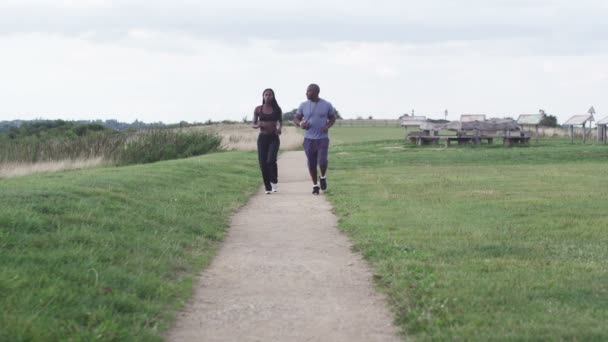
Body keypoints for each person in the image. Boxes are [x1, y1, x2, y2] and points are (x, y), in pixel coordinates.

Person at [293, 83, 336, 195]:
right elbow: (296, 118)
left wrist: (327, 126)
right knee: (311, 164)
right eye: (306, 91)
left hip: (322, 138)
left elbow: (332, 118)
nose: (306, 93)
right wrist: (301, 123)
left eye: (309, 91)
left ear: (316, 92)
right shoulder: (303, 105)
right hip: (308, 139)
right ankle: (315, 185)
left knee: (322, 161)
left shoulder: (327, 105)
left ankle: (322, 177)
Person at [253, 88, 282, 194]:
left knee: (270, 160)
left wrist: (278, 128)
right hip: (262, 139)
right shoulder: (258, 109)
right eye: (266, 94)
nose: (268, 96)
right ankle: (267, 187)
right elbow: (253, 123)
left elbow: (279, 122)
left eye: (270, 95)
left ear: (273, 96)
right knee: (262, 163)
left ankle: (274, 180)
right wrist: (257, 125)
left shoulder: (277, 109)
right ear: (263, 96)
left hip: (273, 138)